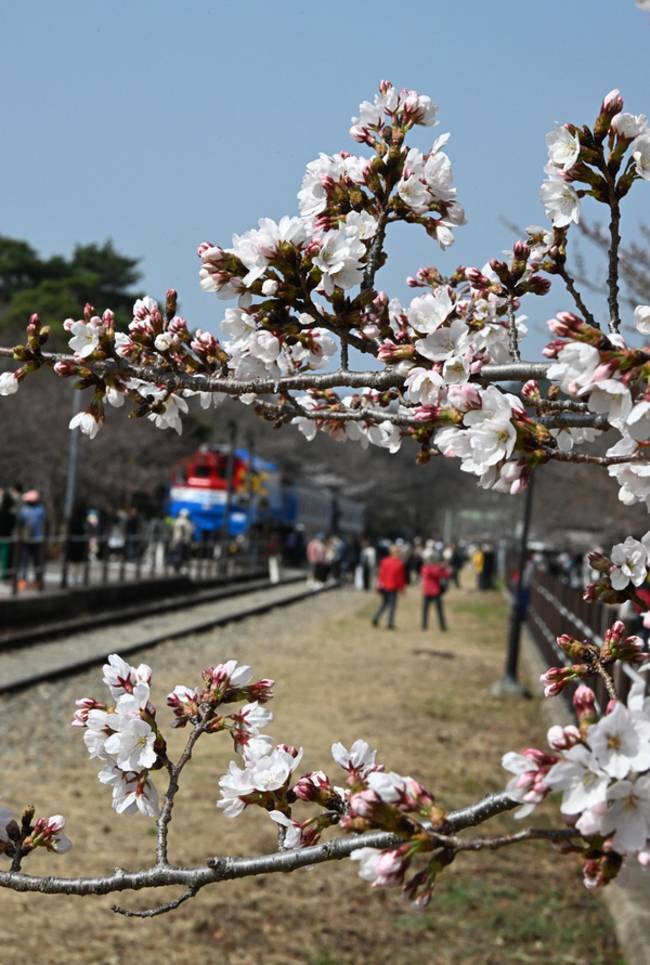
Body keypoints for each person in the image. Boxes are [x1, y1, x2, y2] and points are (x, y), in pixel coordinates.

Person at [17, 489, 46, 591]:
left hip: (34, 540)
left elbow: (20, 521)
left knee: (33, 562)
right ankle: (25, 580)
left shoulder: (33, 510)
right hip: (31, 540)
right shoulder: (39, 510)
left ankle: (36, 580)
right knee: (29, 561)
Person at [371, 544, 406, 629]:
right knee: (392, 606)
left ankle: (375, 618)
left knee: (384, 604)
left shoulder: (384, 561)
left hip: (384, 587)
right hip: (392, 587)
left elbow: (380, 574)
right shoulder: (399, 564)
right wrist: (402, 588)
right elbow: (400, 578)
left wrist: (378, 585)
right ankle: (390, 623)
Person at [420, 550, 451, 631]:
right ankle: (428, 625)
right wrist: (442, 567)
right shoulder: (429, 568)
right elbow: (437, 574)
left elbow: (446, 574)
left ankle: (428, 626)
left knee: (431, 610)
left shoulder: (426, 567)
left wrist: (443, 568)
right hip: (433, 591)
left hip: (431, 591)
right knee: (434, 610)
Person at [170, 509, 194, 573]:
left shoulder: (176, 521)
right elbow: (189, 532)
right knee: (181, 555)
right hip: (183, 541)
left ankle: (176, 567)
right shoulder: (187, 522)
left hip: (177, 540)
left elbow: (172, 530)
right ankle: (178, 567)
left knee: (177, 554)